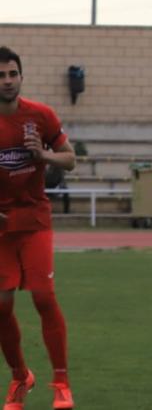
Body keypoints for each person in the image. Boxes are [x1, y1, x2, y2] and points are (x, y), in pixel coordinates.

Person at [0, 47, 77, 410]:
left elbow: (71, 159)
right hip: (0, 228)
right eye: (1, 76)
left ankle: (61, 382)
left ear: (21, 76)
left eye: (12, 74)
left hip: (34, 222)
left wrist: (43, 155)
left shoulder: (41, 115)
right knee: (0, 308)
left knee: (44, 297)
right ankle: (20, 377)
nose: (7, 81)